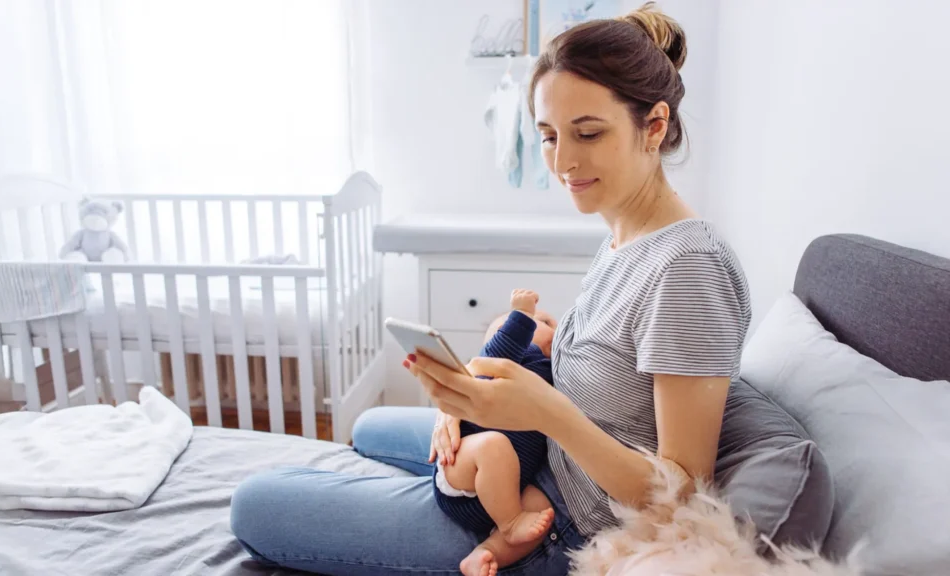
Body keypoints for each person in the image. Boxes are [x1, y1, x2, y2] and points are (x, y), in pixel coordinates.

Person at [229, 3, 752, 575]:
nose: (564, 162)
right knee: (369, 426)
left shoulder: (689, 268)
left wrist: (548, 412)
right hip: (536, 454)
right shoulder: (626, 235)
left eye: (588, 133)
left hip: (560, 522)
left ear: (652, 127)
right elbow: (622, 365)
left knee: (253, 504)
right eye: (549, 136)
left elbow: (680, 499)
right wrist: (524, 362)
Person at [435, 289, 556, 576]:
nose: (553, 327)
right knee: (494, 445)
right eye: (544, 322)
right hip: (464, 476)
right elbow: (504, 347)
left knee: (544, 508)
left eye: (552, 323)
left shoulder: (553, 370)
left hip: (508, 492)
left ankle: (484, 554)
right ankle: (511, 524)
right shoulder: (510, 359)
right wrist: (523, 316)